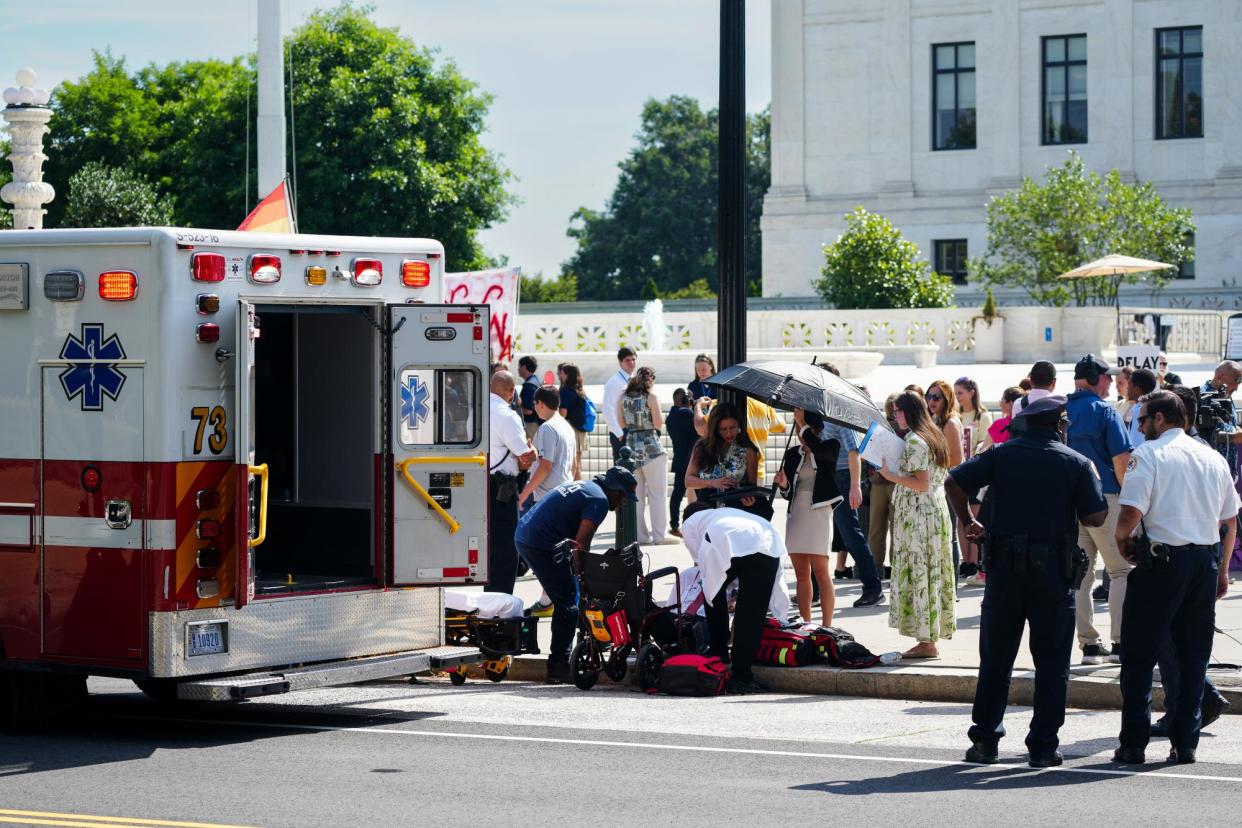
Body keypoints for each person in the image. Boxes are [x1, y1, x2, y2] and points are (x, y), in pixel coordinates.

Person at [946, 395, 1107, 769]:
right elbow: (1097, 518)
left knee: (996, 661)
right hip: (1052, 575)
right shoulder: (1076, 462)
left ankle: (985, 741)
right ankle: (1043, 747)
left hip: (1004, 572)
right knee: (1052, 665)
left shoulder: (1001, 455)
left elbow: (954, 483)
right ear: (1058, 426)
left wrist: (967, 521)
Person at [1112, 390, 1239, 765]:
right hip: (1203, 563)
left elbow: (1129, 513)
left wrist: (1122, 541)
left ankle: (1134, 745)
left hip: (1162, 564)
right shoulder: (1212, 457)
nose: (1140, 426)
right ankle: (1185, 744)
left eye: (1143, 420)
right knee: (1193, 658)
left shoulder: (1149, 454)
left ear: (1161, 419)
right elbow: (1229, 519)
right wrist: (1223, 571)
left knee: (1138, 657)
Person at [514, 468, 639, 683]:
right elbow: (580, 545)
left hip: (526, 534)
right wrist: (586, 574)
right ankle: (558, 666)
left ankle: (576, 647)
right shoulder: (598, 500)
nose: (624, 503)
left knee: (573, 592)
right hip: (541, 543)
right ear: (615, 490)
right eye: (624, 496)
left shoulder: (586, 487)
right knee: (567, 603)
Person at [680, 501, 789, 694]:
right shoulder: (727, 513)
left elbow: (700, 563)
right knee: (752, 614)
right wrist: (781, 615)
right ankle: (742, 675)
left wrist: (723, 587)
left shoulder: (690, 523)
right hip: (768, 543)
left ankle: (719, 656)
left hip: (727, 539)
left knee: (713, 595)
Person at [1065, 354, 1133, 665]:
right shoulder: (1106, 411)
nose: (1109, 383)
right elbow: (1121, 461)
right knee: (1120, 571)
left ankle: (1089, 646)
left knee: (1081, 575)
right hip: (1106, 498)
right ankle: (1121, 642)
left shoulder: (1061, 410)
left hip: (1070, 502)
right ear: (1095, 378)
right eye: (1106, 377)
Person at [879, 391, 956, 658]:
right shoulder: (932, 434)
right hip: (932, 512)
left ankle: (926, 642)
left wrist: (890, 475)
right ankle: (928, 637)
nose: (895, 416)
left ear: (908, 411)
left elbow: (921, 483)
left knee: (921, 572)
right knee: (931, 571)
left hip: (918, 516)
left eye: (898, 411)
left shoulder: (915, 439)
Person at [819, 364, 884, 607]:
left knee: (850, 533)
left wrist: (855, 485)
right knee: (818, 534)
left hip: (843, 475)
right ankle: (815, 589)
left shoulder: (839, 410)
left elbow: (854, 450)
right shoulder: (819, 410)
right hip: (826, 474)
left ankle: (872, 587)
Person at [774, 408, 841, 625]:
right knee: (801, 573)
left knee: (822, 572)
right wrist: (783, 485)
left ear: (816, 430)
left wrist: (803, 424)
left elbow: (821, 453)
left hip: (819, 511)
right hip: (797, 513)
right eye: (797, 428)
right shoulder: (793, 453)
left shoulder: (829, 447)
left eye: (802, 429)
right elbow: (788, 493)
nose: (798, 433)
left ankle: (827, 625)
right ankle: (806, 623)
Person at [487, 371, 537, 594]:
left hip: (482, 485)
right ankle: (501, 602)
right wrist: (532, 450)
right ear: (510, 391)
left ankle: (489, 598)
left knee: (491, 548)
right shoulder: (507, 416)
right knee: (506, 550)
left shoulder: (476, 411)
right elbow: (525, 455)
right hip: (502, 489)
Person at [618, 366, 669, 544]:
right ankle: (659, 536)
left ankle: (640, 536)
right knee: (657, 495)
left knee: (636, 496)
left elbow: (621, 422)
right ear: (651, 380)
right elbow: (658, 424)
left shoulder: (622, 397)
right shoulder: (651, 397)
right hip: (651, 448)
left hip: (631, 447)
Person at [684, 403, 761, 511]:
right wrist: (711, 483)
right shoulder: (702, 446)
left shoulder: (748, 451)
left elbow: (752, 487)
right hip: (706, 510)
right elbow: (688, 481)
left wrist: (749, 498)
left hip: (734, 511)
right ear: (715, 429)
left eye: (733, 427)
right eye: (723, 429)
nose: (729, 433)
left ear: (739, 425)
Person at [954, 377, 992, 581]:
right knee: (961, 518)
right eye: (956, 393)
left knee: (974, 517)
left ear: (971, 392)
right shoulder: (956, 416)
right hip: (959, 471)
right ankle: (966, 561)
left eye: (960, 393)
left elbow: (985, 444)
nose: (958, 397)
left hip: (975, 473)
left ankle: (976, 561)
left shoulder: (983, 416)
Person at [518, 385, 577, 513]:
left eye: (535, 403)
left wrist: (524, 494)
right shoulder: (567, 427)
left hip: (547, 498)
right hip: (564, 492)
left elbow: (546, 466)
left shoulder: (547, 428)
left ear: (541, 403)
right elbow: (574, 466)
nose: (534, 407)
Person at [868, 394, 902, 578]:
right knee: (896, 529)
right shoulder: (906, 428)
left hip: (877, 482)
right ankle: (896, 571)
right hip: (896, 482)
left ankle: (875, 570)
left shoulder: (878, 426)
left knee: (876, 529)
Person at [666, 388, 698, 538]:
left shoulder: (671, 416)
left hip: (680, 459)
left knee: (677, 494)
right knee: (701, 493)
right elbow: (701, 426)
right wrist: (698, 408)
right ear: (686, 400)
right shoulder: (686, 413)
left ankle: (674, 525)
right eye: (691, 399)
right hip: (692, 460)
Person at [603, 347, 637, 462]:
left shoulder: (635, 379)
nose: (631, 363)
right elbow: (608, 409)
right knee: (621, 470)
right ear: (620, 362)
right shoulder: (614, 382)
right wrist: (619, 433)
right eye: (627, 360)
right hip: (621, 433)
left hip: (634, 431)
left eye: (633, 359)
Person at [1123, 368, 1159, 449]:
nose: (1127, 388)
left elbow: (1135, 445)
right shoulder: (1145, 407)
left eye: (1129, 384)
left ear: (1137, 389)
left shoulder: (1139, 411)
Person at [517, 355, 542, 440]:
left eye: (519, 366)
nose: (518, 369)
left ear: (524, 367)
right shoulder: (535, 381)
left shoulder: (529, 386)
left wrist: (513, 410)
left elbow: (528, 411)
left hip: (531, 425)